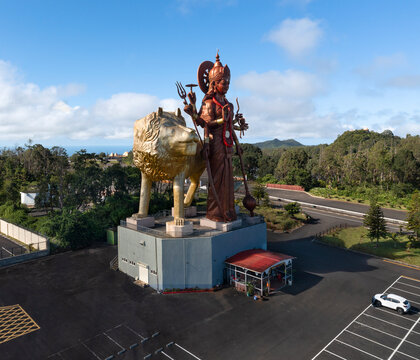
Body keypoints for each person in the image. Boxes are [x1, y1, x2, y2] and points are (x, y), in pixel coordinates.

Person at [185, 53, 248, 222]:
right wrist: (193, 107)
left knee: (228, 178)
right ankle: (215, 212)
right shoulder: (209, 103)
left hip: (228, 145)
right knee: (217, 179)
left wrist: (237, 141)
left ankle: (228, 210)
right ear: (214, 83)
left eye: (228, 82)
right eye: (223, 82)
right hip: (215, 144)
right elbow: (204, 123)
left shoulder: (229, 104)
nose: (226, 85)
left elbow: (229, 125)